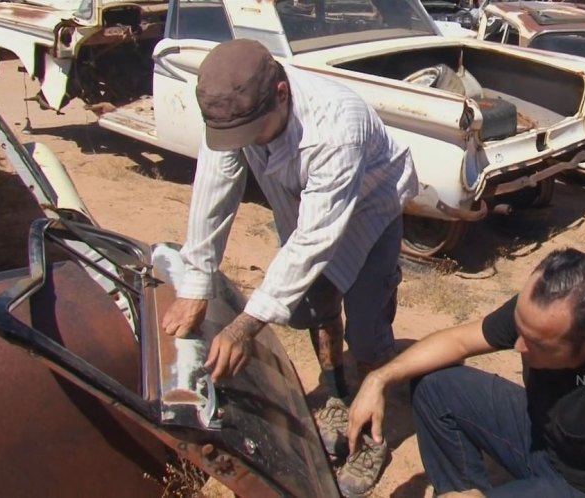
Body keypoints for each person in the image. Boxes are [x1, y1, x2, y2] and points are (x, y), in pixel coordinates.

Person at [160, 39, 418, 493]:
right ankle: (338, 394)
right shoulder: (233, 108)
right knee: (316, 308)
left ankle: (371, 434)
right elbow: (215, 185)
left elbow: (316, 239)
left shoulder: (336, 125)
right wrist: (196, 281)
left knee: (366, 329)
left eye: (253, 133)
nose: (244, 143)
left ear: (281, 93)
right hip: (305, 211)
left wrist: (244, 327)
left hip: (369, 210)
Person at [347, 248, 585, 498]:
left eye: (534, 342)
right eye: (519, 328)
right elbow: (458, 341)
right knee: (435, 387)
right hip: (547, 439)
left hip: (584, 486)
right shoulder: (544, 312)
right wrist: (379, 379)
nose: (518, 345)